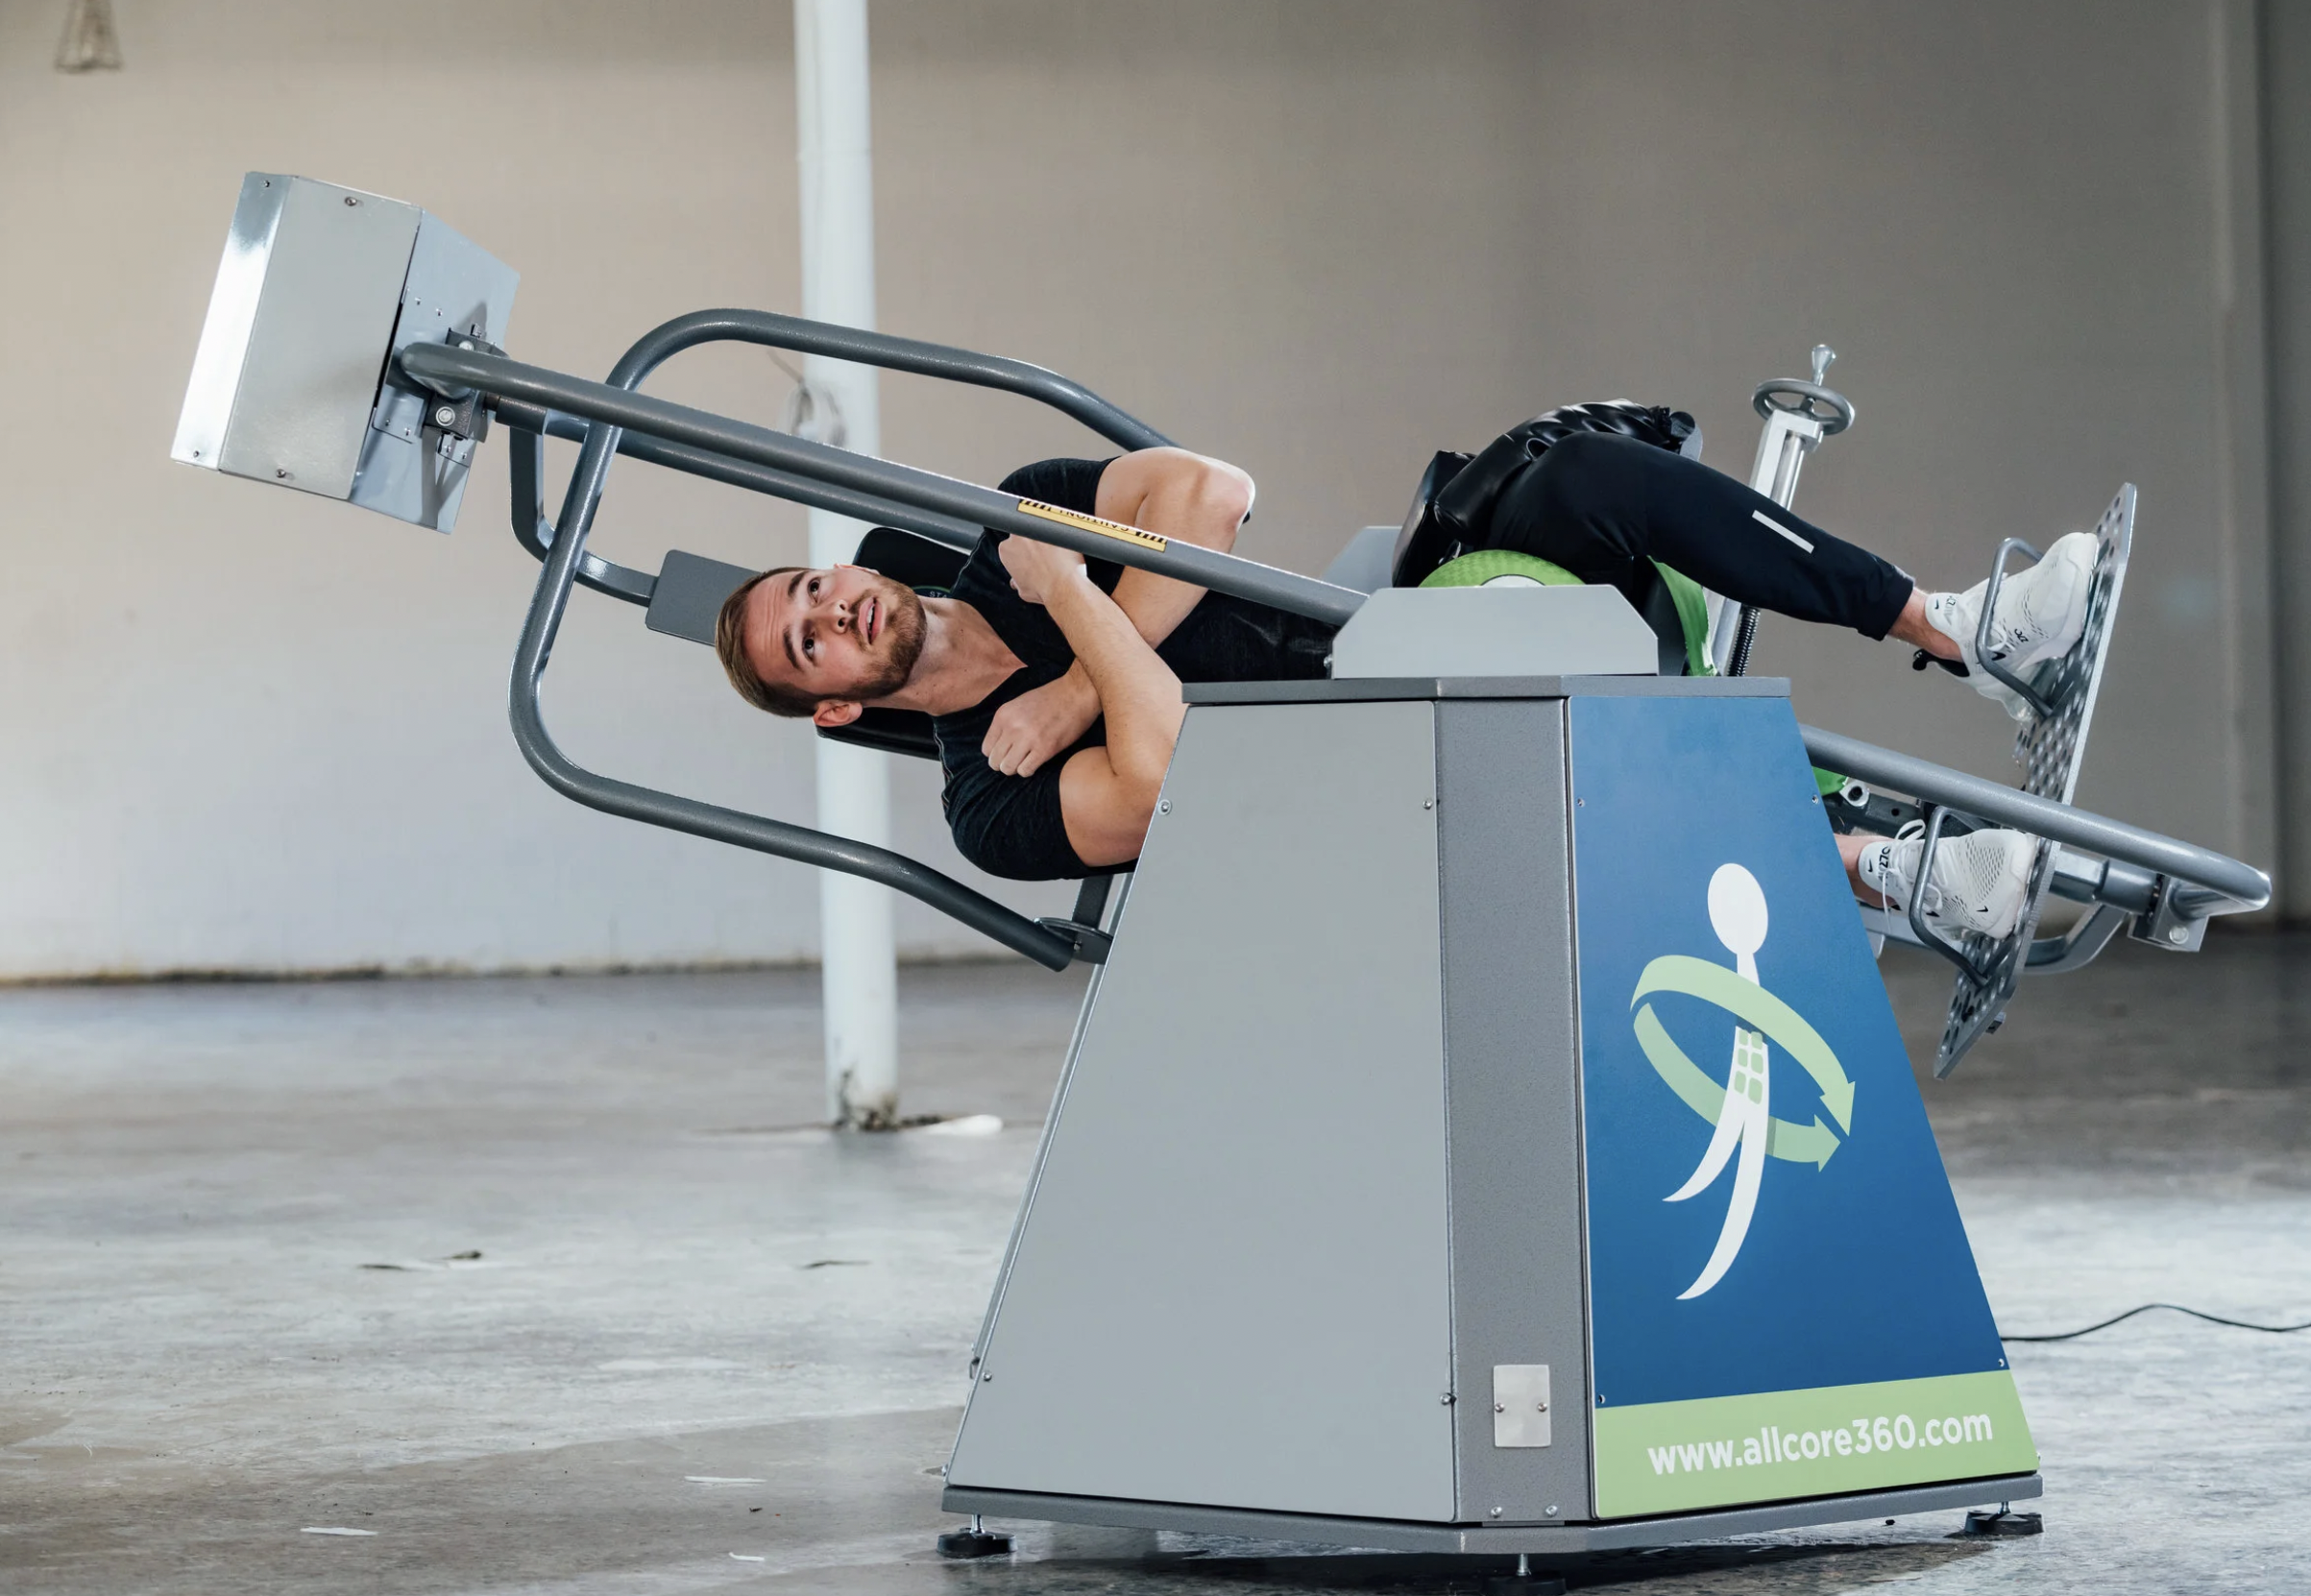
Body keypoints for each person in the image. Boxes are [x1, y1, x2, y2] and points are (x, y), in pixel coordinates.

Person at [714, 432, 2098, 938]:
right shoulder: (982, 796)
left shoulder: (1016, 523)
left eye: (810, 589)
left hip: (1371, 632)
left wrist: (1073, 671)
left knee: (1574, 475)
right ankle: (1889, 872)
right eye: (809, 643)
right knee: (1505, 710)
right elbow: (1163, 773)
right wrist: (1084, 593)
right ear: (838, 704)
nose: (832, 607)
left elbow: (1208, 489)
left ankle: (1965, 631)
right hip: (1353, 796)